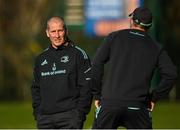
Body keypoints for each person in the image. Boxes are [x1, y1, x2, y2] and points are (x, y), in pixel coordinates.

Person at [91, 7, 177, 129]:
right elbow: (171, 74)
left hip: (110, 104)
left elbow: (96, 64)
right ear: (150, 25)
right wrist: (154, 97)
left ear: (132, 20)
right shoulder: (156, 47)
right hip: (138, 106)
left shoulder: (114, 37)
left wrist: (97, 94)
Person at [31, 16, 92, 129]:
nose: (57, 35)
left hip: (70, 117)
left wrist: (79, 114)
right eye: (53, 31)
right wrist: (38, 113)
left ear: (66, 31)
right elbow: (35, 88)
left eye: (60, 30)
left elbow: (87, 87)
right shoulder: (40, 58)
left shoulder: (78, 55)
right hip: (45, 119)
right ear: (47, 33)